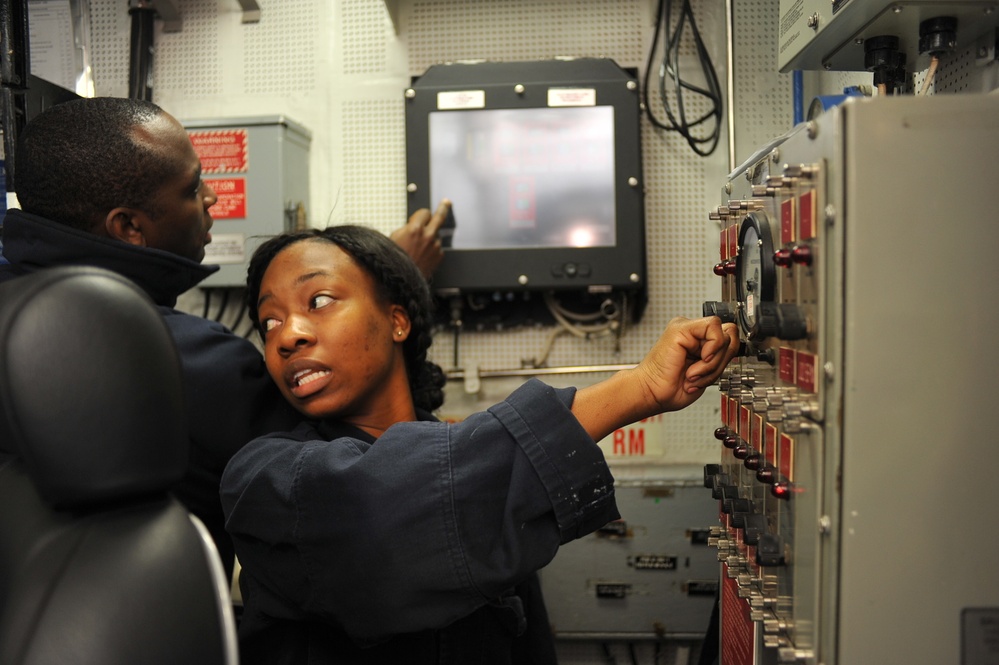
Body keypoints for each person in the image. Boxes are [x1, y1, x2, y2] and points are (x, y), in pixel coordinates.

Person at [221, 225, 740, 664]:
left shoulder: (475, 459)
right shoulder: (263, 477)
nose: (287, 334)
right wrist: (638, 388)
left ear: (398, 320)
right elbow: (380, 513)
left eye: (319, 301)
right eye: (269, 322)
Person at [0, 96, 451, 579]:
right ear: (130, 226)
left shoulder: (13, 309)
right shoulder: (188, 360)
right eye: (193, 188)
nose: (212, 198)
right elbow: (366, 470)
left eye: (318, 302)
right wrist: (391, 276)